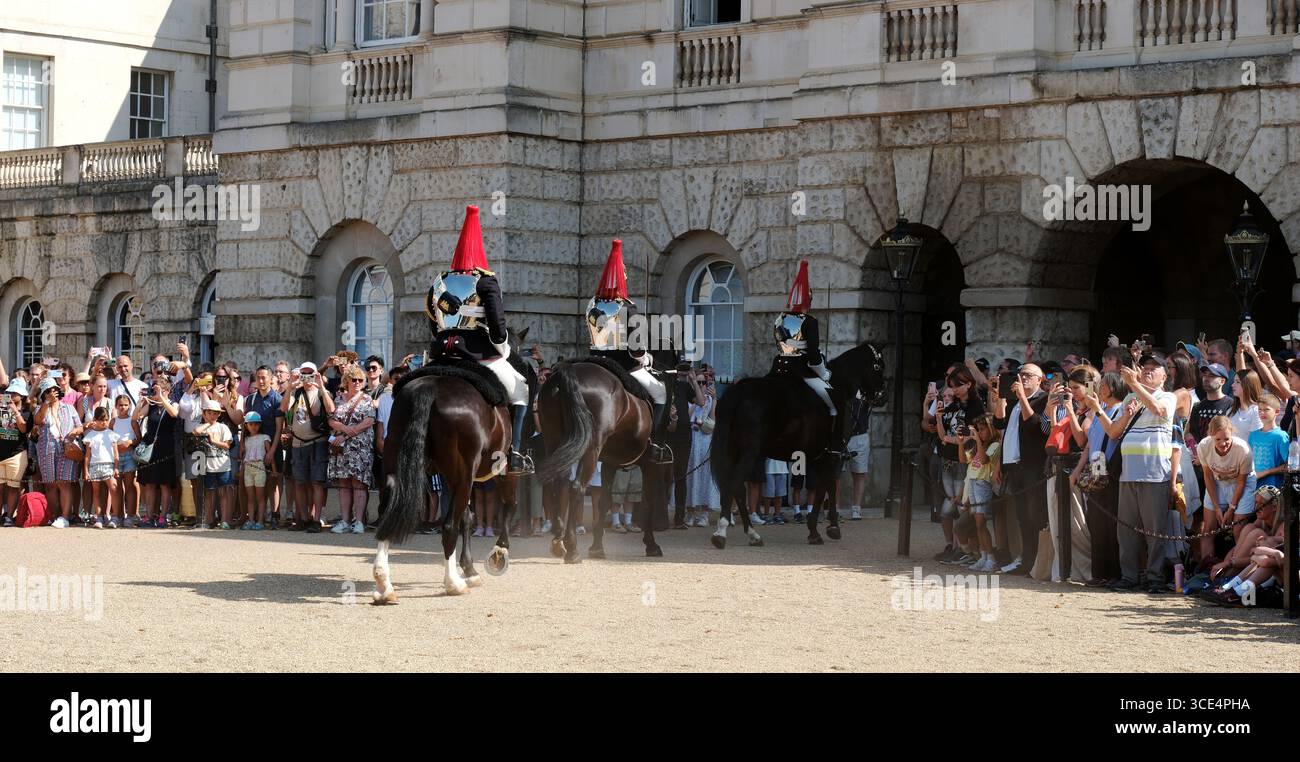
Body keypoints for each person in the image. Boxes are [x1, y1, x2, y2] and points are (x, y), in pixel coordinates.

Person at [426, 205, 531, 474]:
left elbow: (431, 320)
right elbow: (497, 327)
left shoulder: (439, 282)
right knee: (521, 391)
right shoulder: (486, 281)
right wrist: (503, 346)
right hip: (477, 353)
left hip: (440, 352)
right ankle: (515, 454)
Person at [584, 239, 671, 462]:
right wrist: (646, 359)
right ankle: (653, 444)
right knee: (661, 393)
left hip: (594, 363)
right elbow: (635, 350)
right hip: (623, 366)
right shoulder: (626, 306)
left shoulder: (592, 304)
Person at [1100, 356, 1177, 593]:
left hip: (1155, 473)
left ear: (1165, 376)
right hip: (1128, 473)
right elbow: (1114, 432)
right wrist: (1097, 409)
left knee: (1155, 530)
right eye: (1145, 368)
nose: (1148, 372)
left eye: (1154, 369)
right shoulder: (1131, 398)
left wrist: (1134, 384)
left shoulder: (1168, 396)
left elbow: (1158, 409)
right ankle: (1129, 576)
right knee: (1127, 530)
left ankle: (1155, 577)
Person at [988, 363, 1049, 575]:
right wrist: (1002, 398)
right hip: (1014, 466)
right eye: (1020, 375)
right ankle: (1026, 560)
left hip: (1033, 466)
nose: (1022, 378)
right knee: (1022, 515)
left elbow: (1036, 427)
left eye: (1027, 375)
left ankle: (1038, 561)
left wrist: (1023, 398)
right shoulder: (1014, 402)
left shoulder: (1043, 399)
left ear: (1039, 380)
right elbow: (999, 425)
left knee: (1035, 514)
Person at [772, 259, 837, 436]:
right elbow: (814, 355)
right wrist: (823, 372)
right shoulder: (809, 321)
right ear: (809, 301)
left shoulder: (780, 319)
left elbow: (781, 342)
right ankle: (835, 442)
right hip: (801, 370)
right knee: (833, 401)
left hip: (778, 367)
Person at [1078, 371, 1125, 586]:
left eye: (1105, 385)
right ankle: (1098, 573)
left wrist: (1096, 409)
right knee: (1095, 521)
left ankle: (1113, 573)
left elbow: (1113, 433)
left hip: (1111, 470)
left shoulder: (1120, 409)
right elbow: (1088, 440)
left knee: (1110, 523)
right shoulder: (1099, 411)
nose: (1100, 388)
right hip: (1095, 467)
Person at [933, 367, 985, 563]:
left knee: (963, 506)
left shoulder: (975, 405)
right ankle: (960, 547)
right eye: (951, 386)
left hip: (968, 459)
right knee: (952, 505)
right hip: (949, 457)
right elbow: (942, 434)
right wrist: (939, 419)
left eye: (957, 386)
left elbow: (976, 434)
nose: (953, 390)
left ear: (968, 384)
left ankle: (973, 550)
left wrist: (953, 439)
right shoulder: (953, 406)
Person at [280, 361, 335, 532]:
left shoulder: (320, 393)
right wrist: (290, 387)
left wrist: (321, 386)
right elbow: (283, 408)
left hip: (317, 442)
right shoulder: (296, 393)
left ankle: (316, 520)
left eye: (310, 373)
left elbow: (331, 409)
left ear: (315, 374)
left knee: (317, 482)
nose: (306, 377)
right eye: (303, 374)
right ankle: (303, 519)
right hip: (297, 443)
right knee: (300, 482)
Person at [328, 364, 376, 534]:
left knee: (359, 484)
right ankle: (345, 520)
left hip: (360, 448)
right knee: (343, 484)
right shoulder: (339, 398)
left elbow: (369, 421)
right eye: (353, 379)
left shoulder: (367, 400)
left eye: (360, 380)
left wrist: (348, 433)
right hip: (341, 449)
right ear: (346, 381)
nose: (356, 382)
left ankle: (359, 521)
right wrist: (343, 428)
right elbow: (331, 420)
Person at [133, 377, 179, 528]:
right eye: (154, 389)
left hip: (165, 446)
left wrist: (162, 398)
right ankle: (149, 515)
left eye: (158, 389)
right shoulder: (151, 406)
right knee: (150, 483)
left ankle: (163, 516)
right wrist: (141, 401)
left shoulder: (173, 403)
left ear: (167, 391)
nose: (155, 392)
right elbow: (136, 417)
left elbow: (174, 414)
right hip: (150, 446)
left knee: (165, 484)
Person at [957, 414, 1001, 572]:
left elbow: (983, 461)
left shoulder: (994, 445)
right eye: (978, 430)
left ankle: (991, 558)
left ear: (990, 429)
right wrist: (961, 443)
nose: (980, 432)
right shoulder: (979, 445)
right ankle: (984, 557)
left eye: (982, 430)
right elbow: (963, 460)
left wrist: (976, 439)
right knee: (977, 524)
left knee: (981, 523)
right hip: (973, 484)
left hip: (983, 484)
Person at [34, 378, 78, 528]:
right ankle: (54, 515)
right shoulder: (40, 409)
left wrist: (73, 433)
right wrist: (46, 403)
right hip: (46, 449)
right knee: (50, 485)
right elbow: (38, 421)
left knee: (64, 483)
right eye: (47, 391)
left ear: (58, 391)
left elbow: (80, 426)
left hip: (65, 448)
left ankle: (65, 517)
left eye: (54, 390)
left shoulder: (69, 408)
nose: (51, 393)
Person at [243, 367, 283, 527]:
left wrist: (272, 450)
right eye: (258, 377)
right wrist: (242, 445)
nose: (261, 381)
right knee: (256, 485)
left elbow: (280, 427)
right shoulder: (251, 399)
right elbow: (245, 423)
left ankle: (274, 514)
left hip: (271, 444)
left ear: (270, 378)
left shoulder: (277, 399)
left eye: (264, 378)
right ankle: (257, 517)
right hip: (254, 445)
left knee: (273, 482)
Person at [684, 365, 718, 527]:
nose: (703, 386)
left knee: (704, 475)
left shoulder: (711, 400)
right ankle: (690, 511)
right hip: (691, 439)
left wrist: (716, 400)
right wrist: (696, 402)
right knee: (690, 475)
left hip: (705, 440)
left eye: (704, 383)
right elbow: (686, 416)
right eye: (698, 383)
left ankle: (704, 513)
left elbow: (713, 421)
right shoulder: (690, 399)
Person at [194, 398, 234, 529]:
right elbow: (195, 432)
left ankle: (225, 520)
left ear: (219, 414)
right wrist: (208, 424)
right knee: (209, 493)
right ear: (204, 414)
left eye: (215, 413)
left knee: (224, 493)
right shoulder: (203, 427)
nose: (212, 416)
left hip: (222, 465)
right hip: (208, 467)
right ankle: (209, 520)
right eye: (209, 413)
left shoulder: (223, 427)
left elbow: (227, 445)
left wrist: (213, 441)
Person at [82, 406, 123, 529]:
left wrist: (116, 467)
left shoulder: (112, 435)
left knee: (113, 489)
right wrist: (86, 471)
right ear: (95, 419)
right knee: (97, 492)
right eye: (101, 420)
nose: (104, 422)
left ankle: (115, 516)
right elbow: (87, 456)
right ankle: (99, 517)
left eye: (106, 419)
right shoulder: (90, 436)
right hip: (94, 466)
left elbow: (116, 453)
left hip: (109, 465)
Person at [0, 378, 31, 526]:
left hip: (16, 454)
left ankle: (9, 517)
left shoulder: (26, 412)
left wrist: (14, 411)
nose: (11, 395)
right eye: (10, 392)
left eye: (15, 392)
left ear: (22, 395)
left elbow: (24, 428)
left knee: (13, 488)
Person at [110, 394, 140, 526]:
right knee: (116, 488)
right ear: (116, 406)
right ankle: (117, 515)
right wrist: (115, 445)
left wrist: (130, 442)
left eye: (125, 405)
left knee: (129, 487)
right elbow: (108, 436)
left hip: (129, 456)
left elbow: (139, 438)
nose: (123, 407)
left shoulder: (132, 421)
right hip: (116, 457)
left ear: (129, 406)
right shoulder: (113, 421)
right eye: (120, 405)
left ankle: (131, 515)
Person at [240, 412, 272, 530]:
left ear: (260, 425)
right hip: (248, 468)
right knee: (250, 497)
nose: (253, 427)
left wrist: (273, 470)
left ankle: (260, 521)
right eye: (250, 424)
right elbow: (242, 454)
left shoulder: (264, 437)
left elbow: (269, 455)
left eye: (256, 424)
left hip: (259, 468)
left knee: (260, 497)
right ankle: (251, 520)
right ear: (246, 425)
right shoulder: (246, 440)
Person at [845, 388, 872, 520]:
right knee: (836, 474)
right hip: (842, 435)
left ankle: (856, 508)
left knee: (859, 473)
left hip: (860, 434)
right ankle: (835, 507)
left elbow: (880, 399)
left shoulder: (866, 388)